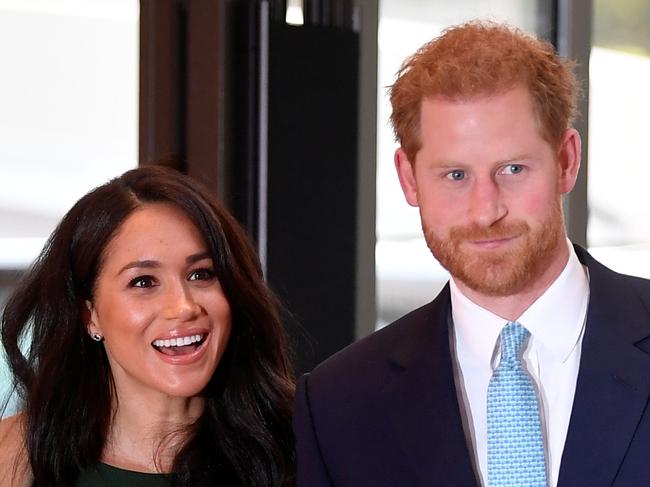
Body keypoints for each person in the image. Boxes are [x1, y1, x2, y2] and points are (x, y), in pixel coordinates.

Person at [293, 20, 650, 487]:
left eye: (513, 168)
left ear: (566, 161)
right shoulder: (338, 404)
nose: (486, 211)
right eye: (455, 176)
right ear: (408, 178)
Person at [0, 166, 295, 486]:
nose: (183, 307)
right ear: (90, 314)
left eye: (201, 274)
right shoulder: (16, 455)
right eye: (143, 281)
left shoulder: (300, 448)